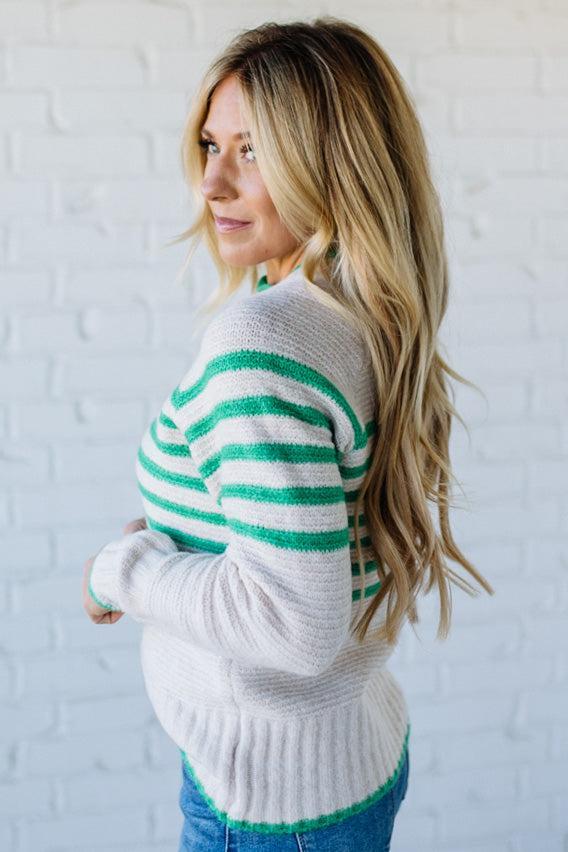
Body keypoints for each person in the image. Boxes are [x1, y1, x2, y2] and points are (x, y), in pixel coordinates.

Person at [82, 16, 494, 851]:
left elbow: (290, 623)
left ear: (333, 164)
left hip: (268, 808)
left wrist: (125, 571)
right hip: (347, 759)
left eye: (254, 151)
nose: (212, 184)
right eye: (210, 144)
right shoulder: (360, 313)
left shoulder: (264, 344)